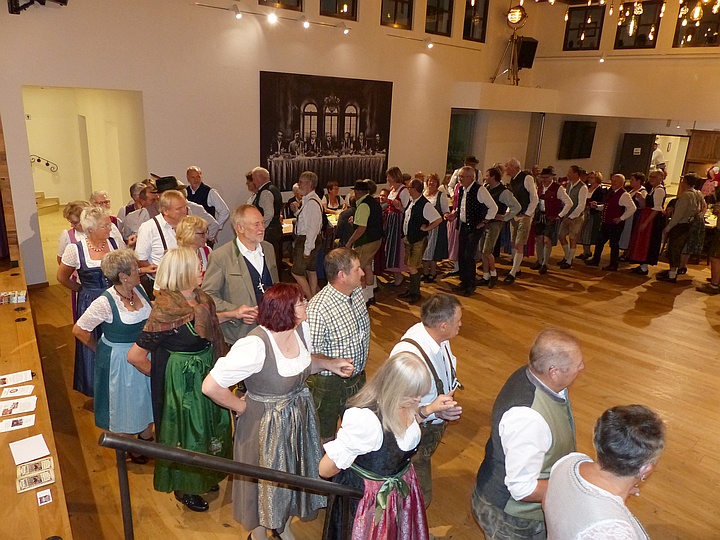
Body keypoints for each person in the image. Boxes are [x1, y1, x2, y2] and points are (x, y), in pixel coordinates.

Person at [202, 283, 353, 540]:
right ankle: (258, 534)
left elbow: (303, 364)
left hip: (298, 417)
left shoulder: (300, 329)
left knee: (291, 475)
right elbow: (211, 386)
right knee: (263, 482)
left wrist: (330, 364)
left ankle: (283, 525)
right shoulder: (255, 345)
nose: (307, 305)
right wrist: (241, 406)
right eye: (301, 302)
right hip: (265, 425)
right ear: (285, 310)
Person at [127, 247, 232, 513]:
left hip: (206, 372)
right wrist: (164, 376)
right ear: (182, 272)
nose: (202, 268)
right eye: (197, 266)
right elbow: (135, 356)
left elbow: (212, 333)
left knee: (210, 427)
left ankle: (206, 474)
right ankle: (186, 487)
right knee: (189, 433)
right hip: (183, 382)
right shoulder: (165, 309)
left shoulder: (203, 299)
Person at [320, 352, 458, 540]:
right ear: (394, 390)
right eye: (413, 396)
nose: (418, 400)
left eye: (420, 394)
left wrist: (430, 410)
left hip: (397, 491)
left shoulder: (403, 404)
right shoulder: (366, 422)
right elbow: (325, 469)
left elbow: (402, 427)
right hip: (370, 501)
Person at [472, 328, 585, 539]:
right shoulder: (528, 419)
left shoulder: (533, 374)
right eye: (577, 365)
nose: (582, 367)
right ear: (554, 372)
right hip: (512, 521)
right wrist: (578, 489)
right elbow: (523, 489)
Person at [72, 249, 153, 453]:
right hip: (121, 361)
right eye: (135, 269)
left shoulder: (139, 289)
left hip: (144, 354)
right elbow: (79, 330)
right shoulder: (105, 302)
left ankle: (146, 436)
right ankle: (130, 446)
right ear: (123, 276)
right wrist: (99, 349)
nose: (139, 271)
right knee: (127, 405)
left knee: (146, 397)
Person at [544, 405, 666, 540]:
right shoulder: (613, 533)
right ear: (645, 469)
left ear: (597, 440)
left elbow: (547, 502)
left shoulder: (568, 462)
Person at [389, 293, 463, 507]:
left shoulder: (438, 337)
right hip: (416, 433)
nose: (461, 325)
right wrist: (433, 409)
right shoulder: (410, 356)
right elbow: (395, 408)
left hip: (429, 429)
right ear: (442, 325)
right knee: (419, 500)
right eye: (458, 321)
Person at [58, 206, 125, 396]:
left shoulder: (114, 243)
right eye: (105, 225)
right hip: (91, 302)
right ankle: (98, 390)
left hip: (115, 299)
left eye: (109, 224)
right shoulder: (75, 249)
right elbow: (62, 277)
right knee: (93, 342)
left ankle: (119, 385)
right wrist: (82, 290)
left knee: (115, 340)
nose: (110, 228)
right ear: (91, 229)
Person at [306, 248, 370, 443]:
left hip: (358, 378)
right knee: (326, 436)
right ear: (342, 275)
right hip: (329, 385)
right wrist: (333, 362)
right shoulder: (318, 309)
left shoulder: (356, 292)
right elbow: (310, 355)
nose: (362, 273)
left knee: (360, 430)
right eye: (357, 269)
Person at [202, 205, 278, 347]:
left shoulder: (268, 249)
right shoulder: (221, 256)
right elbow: (208, 295)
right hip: (240, 335)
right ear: (240, 228)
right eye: (256, 224)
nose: (262, 228)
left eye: (262, 223)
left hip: (271, 329)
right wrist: (235, 311)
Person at [449, 165, 498, 296]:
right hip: (464, 225)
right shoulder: (461, 189)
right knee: (461, 254)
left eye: (463, 177)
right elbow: (462, 207)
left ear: (471, 177)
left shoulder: (480, 190)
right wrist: (455, 214)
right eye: (460, 176)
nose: (460, 179)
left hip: (475, 227)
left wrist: (485, 221)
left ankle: (470, 284)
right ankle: (464, 281)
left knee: (468, 255)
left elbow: (493, 207)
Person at [400, 178, 442, 303]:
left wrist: (427, 228)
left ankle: (415, 293)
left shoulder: (425, 204)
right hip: (409, 239)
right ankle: (412, 290)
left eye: (409, 188)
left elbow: (438, 219)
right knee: (410, 266)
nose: (408, 190)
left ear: (414, 189)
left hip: (418, 240)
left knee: (413, 266)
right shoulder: (412, 201)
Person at [658, 173, 705, 283]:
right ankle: (674, 271)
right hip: (689, 224)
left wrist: (668, 227)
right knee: (679, 249)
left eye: (683, 181)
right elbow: (702, 207)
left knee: (674, 249)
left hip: (680, 225)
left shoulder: (686, 196)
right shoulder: (697, 193)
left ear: (686, 182)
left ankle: (672, 274)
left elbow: (679, 214)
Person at [478, 167, 520, 288]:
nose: (485, 178)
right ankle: (485, 276)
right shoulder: (486, 188)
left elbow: (516, 207)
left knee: (487, 250)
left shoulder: (503, 192)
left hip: (495, 224)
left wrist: (505, 217)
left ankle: (493, 274)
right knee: (482, 251)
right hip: (485, 222)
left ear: (493, 177)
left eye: (487, 175)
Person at [585, 174, 636, 271]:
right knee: (600, 242)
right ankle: (595, 260)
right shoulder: (611, 192)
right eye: (612, 180)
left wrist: (621, 218)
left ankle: (613, 264)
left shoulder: (624, 194)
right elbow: (607, 206)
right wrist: (597, 207)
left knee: (614, 244)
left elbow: (632, 208)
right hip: (606, 223)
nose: (613, 183)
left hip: (615, 225)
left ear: (621, 183)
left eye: (615, 181)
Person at [345, 180, 384, 306]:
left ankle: (364, 299)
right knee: (367, 267)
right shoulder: (373, 202)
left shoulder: (363, 205)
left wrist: (350, 242)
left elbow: (362, 228)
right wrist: (355, 219)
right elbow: (370, 219)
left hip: (366, 242)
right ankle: (370, 295)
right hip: (376, 240)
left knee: (358, 271)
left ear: (357, 192)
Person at [505, 158, 539, 284]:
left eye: (507, 166)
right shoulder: (513, 180)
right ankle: (517, 268)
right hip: (515, 215)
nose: (506, 169)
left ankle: (513, 273)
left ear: (515, 167)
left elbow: (534, 198)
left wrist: (528, 214)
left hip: (524, 215)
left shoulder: (527, 178)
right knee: (513, 242)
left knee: (519, 243)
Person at [532, 167, 572, 275]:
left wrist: (560, 215)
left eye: (546, 177)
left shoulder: (558, 189)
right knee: (539, 239)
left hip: (551, 217)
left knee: (547, 240)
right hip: (540, 216)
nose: (544, 180)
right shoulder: (540, 187)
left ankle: (545, 263)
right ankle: (539, 260)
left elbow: (569, 203)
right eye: (542, 177)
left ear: (551, 177)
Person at [57, 200, 92, 321]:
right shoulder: (68, 236)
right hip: (81, 282)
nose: (72, 226)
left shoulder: (100, 232)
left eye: (75, 222)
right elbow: (60, 259)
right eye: (70, 222)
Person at [292, 171, 324, 298]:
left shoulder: (311, 202)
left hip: (307, 240)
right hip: (310, 240)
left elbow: (312, 228)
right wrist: (296, 212)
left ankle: (311, 300)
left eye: (301, 182)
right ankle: (315, 297)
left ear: (309, 184)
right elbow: (306, 221)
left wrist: (307, 249)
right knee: (311, 270)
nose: (298, 184)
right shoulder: (308, 200)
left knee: (296, 272)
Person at [248, 167, 283, 268]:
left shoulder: (265, 192)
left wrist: (261, 227)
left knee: (270, 261)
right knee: (275, 259)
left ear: (259, 178)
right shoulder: (274, 189)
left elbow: (269, 214)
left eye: (254, 178)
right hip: (275, 230)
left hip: (270, 232)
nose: (253, 181)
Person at [383, 166, 411, 286]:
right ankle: (396, 275)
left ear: (395, 176)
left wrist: (399, 207)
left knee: (396, 248)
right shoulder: (393, 189)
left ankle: (399, 275)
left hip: (397, 222)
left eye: (389, 176)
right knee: (389, 247)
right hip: (390, 220)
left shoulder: (403, 191)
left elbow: (407, 210)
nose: (387, 179)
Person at [557, 165, 589, 269]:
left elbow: (581, 205)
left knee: (572, 238)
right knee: (561, 235)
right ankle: (567, 256)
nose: (568, 174)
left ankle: (569, 260)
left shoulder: (583, 187)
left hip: (576, 217)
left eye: (570, 172)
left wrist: (572, 216)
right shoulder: (569, 185)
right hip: (567, 215)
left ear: (576, 174)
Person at [421, 173, 450, 284]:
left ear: (437, 183)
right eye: (429, 180)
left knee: (432, 251)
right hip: (424, 226)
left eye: (433, 181)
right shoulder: (424, 194)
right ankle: (425, 272)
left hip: (436, 227)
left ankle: (432, 273)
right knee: (424, 250)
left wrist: (447, 215)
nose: (431, 183)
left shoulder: (440, 195)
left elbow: (445, 211)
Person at [185, 166, 230, 234]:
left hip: (205, 233)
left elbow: (224, 211)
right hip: (190, 233)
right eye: (193, 177)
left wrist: (215, 227)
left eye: (198, 177)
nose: (196, 180)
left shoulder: (210, 192)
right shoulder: (185, 192)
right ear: (188, 178)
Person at [577, 171, 606, 260]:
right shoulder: (587, 187)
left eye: (592, 177)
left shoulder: (600, 190)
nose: (590, 179)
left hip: (592, 213)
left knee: (587, 233)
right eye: (589, 177)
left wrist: (595, 204)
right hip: (584, 211)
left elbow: (603, 202)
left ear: (597, 179)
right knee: (582, 232)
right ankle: (585, 251)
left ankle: (587, 252)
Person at [620, 172, 648, 262]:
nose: (630, 181)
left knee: (632, 234)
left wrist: (640, 199)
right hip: (630, 215)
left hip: (635, 216)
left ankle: (628, 254)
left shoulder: (642, 191)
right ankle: (626, 252)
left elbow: (643, 205)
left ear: (638, 181)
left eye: (632, 180)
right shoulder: (632, 190)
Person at [175, 216, 211, 284]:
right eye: (202, 233)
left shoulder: (208, 251)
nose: (207, 236)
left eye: (207, 232)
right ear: (189, 234)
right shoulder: (177, 257)